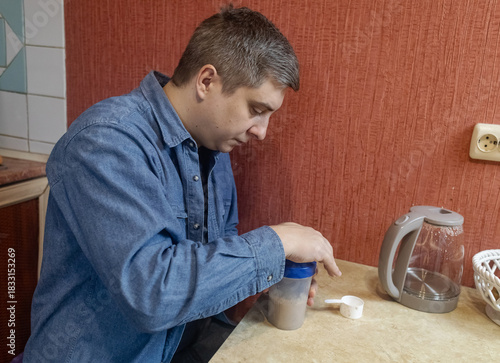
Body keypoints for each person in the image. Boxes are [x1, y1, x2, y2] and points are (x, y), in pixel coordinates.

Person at [24, 5, 341, 362]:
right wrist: (277, 241)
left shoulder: (213, 147)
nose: (262, 132)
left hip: (190, 347)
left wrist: (271, 277)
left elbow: (205, 266)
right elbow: (152, 295)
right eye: (256, 109)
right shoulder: (105, 143)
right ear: (206, 81)